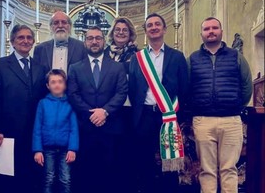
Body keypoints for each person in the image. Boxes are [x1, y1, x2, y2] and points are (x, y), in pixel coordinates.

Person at [188, 17, 252, 193]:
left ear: (221, 31)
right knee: (206, 170)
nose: (211, 31)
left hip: (231, 120)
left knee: (229, 169)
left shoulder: (236, 57)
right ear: (201, 33)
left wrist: (237, 106)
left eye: (214, 28)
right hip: (203, 120)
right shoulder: (193, 59)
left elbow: (247, 85)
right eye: (207, 28)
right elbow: (187, 86)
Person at [129, 13, 189, 193]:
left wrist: (177, 113)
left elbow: (184, 87)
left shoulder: (177, 56)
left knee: (169, 162)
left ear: (164, 29)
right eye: (149, 25)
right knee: (144, 160)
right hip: (144, 115)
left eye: (157, 24)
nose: (153, 27)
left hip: (168, 116)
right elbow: (133, 88)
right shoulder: (137, 58)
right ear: (145, 31)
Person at [67, 26, 128, 193]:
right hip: (84, 128)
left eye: (98, 38)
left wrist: (105, 112)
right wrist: (92, 114)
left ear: (104, 41)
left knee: (109, 174)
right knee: (84, 175)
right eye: (90, 38)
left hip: (110, 128)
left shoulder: (117, 67)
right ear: (85, 42)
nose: (94, 41)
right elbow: (73, 94)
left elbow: (121, 92)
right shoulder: (75, 67)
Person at [0, 24, 46, 193]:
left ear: (33, 42)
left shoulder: (41, 68)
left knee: (32, 178)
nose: (25, 41)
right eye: (21, 37)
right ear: (12, 42)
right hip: (7, 133)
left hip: (34, 133)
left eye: (29, 38)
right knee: (9, 179)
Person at [104, 16, 138, 192]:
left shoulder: (138, 54)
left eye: (125, 30)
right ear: (112, 32)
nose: (121, 32)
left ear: (130, 33)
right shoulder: (104, 52)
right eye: (118, 30)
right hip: (107, 108)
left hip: (127, 108)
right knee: (108, 153)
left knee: (125, 153)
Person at [32, 69, 79, 193]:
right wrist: (37, 150)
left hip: (65, 149)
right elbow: (37, 128)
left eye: (60, 82)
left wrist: (72, 149)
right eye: (53, 82)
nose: (57, 85)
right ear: (48, 85)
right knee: (49, 178)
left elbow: (74, 129)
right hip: (47, 149)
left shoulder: (70, 104)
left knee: (66, 179)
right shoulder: (42, 103)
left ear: (65, 84)